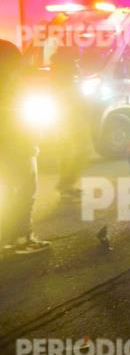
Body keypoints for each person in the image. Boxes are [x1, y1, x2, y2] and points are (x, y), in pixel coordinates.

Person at [0, 40, 51, 254]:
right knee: (23, 190)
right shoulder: (14, 88)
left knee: (10, 191)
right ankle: (21, 237)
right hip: (19, 145)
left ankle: (9, 236)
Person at [52, 47, 90, 200]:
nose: (77, 59)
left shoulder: (66, 69)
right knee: (78, 149)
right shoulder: (63, 71)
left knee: (68, 150)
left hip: (71, 115)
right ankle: (66, 183)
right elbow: (66, 94)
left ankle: (66, 184)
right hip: (69, 116)